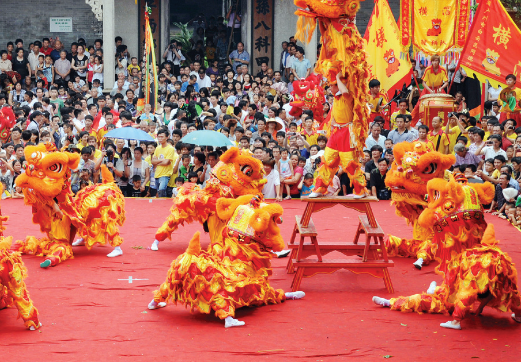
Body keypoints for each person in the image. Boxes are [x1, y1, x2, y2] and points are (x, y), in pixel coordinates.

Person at [151, 129, 177, 199]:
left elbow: (166, 162)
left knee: (161, 190)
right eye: (159, 137)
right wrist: (162, 160)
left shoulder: (170, 148)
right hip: (157, 173)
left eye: (162, 137)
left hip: (165, 174)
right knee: (159, 193)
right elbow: (153, 161)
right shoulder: (157, 148)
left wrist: (157, 162)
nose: (160, 138)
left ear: (167, 137)